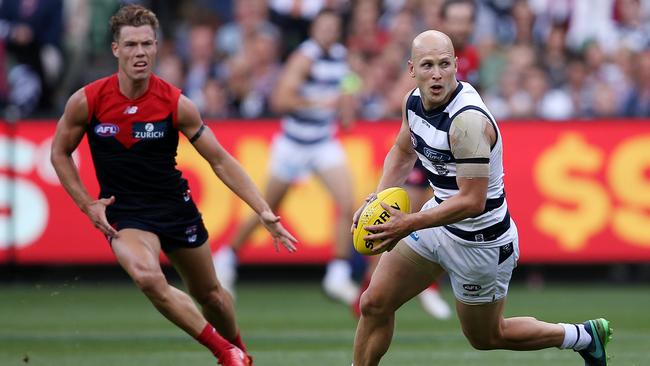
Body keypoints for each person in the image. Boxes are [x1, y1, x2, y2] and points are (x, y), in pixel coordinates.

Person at [50, 5, 297, 366]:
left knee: (211, 296)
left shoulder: (175, 103)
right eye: (132, 44)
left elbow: (220, 160)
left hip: (175, 208)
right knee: (148, 278)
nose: (140, 53)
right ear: (116, 49)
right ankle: (225, 353)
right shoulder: (88, 101)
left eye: (147, 44)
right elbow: (59, 153)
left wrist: (262, 210)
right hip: (126, 214)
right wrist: (88, 204)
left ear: (157, 46)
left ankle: (240, 352)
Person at [351, 30, 612, 366]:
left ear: (457, 65)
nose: (437, 74)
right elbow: (403, 152)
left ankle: (582, 336)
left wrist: (407, 223)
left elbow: (471, 202)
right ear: (412, 69)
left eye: (444, 64)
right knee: (374, 302)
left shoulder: (467, 122)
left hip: (481, 242)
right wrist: (376, 201)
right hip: (436, 223)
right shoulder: (412, 101)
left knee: (487, 337)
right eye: (427, 65)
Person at [213, 9, 359, 305]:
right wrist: (321, 103)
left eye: (333, 27)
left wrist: (346, 104)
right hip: (294, 145)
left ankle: (338, 274)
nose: (329, 32)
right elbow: (280, 100)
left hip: (322, 142)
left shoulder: (341, 56)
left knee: (347, 203)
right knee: (267, 210)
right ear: (314, 31)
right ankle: (226, 257)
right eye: (324, 27)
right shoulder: (304, 58)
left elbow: (349, 85)